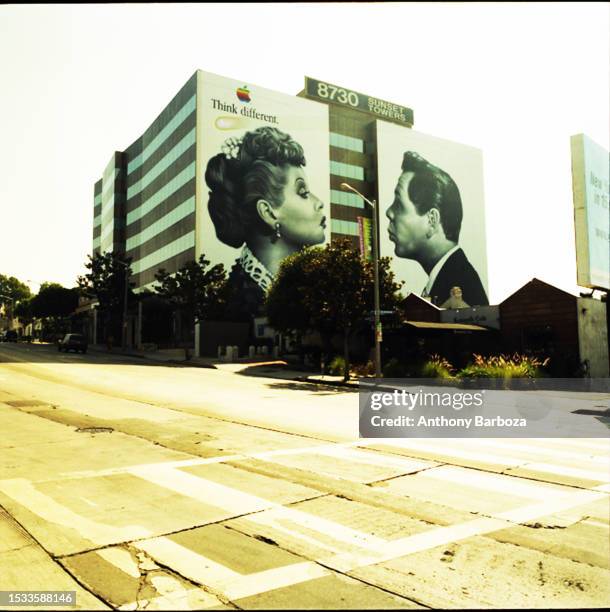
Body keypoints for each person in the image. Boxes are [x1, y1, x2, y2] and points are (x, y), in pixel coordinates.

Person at [205, 126, 327, 320]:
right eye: (303, 192)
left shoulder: (316, 287)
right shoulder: (238, 301)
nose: (319, 202)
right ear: (268, 212)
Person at [385, 151, 488, 306]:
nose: (389, 213)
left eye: (399, 204)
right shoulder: (453, 275)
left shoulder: (458, 284)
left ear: (432, 220)